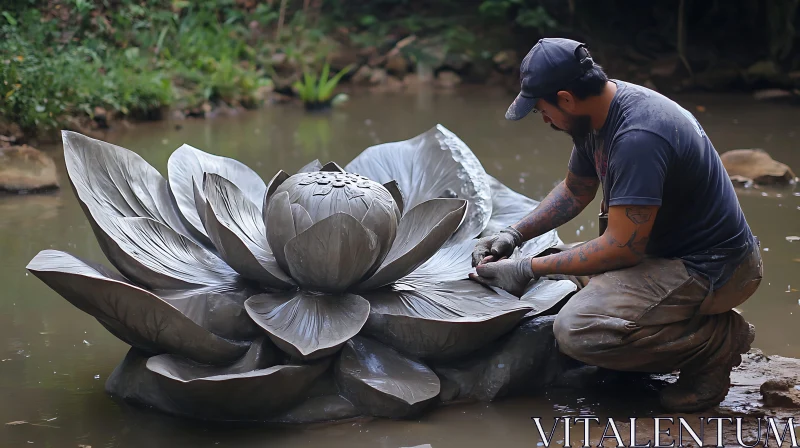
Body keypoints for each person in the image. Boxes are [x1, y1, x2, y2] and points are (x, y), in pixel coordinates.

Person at [469, 37, 763, 412]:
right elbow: (576, 191)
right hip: (660, 254)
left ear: (566, 99)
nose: (543, 119)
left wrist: (526, 267)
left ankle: (715, 343)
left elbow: (622, 247)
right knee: (554, 266)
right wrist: (513, 235)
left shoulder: (638, 136)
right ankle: (644, 342)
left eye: (541, 109)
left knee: (578, 330)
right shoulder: (598, 115)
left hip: (714, 269)